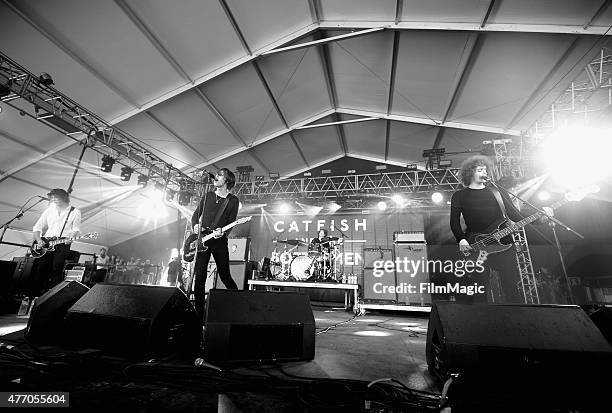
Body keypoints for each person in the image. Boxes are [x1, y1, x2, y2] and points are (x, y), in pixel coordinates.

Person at [449, 155, 552, 304]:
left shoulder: (497, 192)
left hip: (504, 244)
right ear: (470, 173)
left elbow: (515, 216)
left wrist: (540, 218)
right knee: (480, 289)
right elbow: (454, 222)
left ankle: (517, 319)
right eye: (480, 170)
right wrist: (462, 240)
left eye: (485, 170)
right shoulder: (459, 196)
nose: (484, 173)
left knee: (510, 286)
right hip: (476, 245)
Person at [191, 168, 240, 324]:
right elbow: (195, 216)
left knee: (225, 275)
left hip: (219, 242)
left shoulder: (232, 200)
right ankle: (199, 313)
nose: (216, 177)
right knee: (199, 277)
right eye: (217, 174)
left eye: (220, 175)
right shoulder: (208, 196)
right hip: (203, 240)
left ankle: (239, 305)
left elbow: (231, 222)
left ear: (227, 181)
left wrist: (223, 233)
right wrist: (195, 227)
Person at [32, 188, 81, 294]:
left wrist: (71, 237)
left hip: (63, 243)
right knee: (41, 269)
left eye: (55, 197)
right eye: (52, 197)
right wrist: (39, 240)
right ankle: (35, 296)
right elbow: (37, 227)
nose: (53, 199)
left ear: (63, 198)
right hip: (46, 242)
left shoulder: (75, 211)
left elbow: (76, 229)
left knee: (57, 269)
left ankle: (52, 296)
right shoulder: (49, 210)